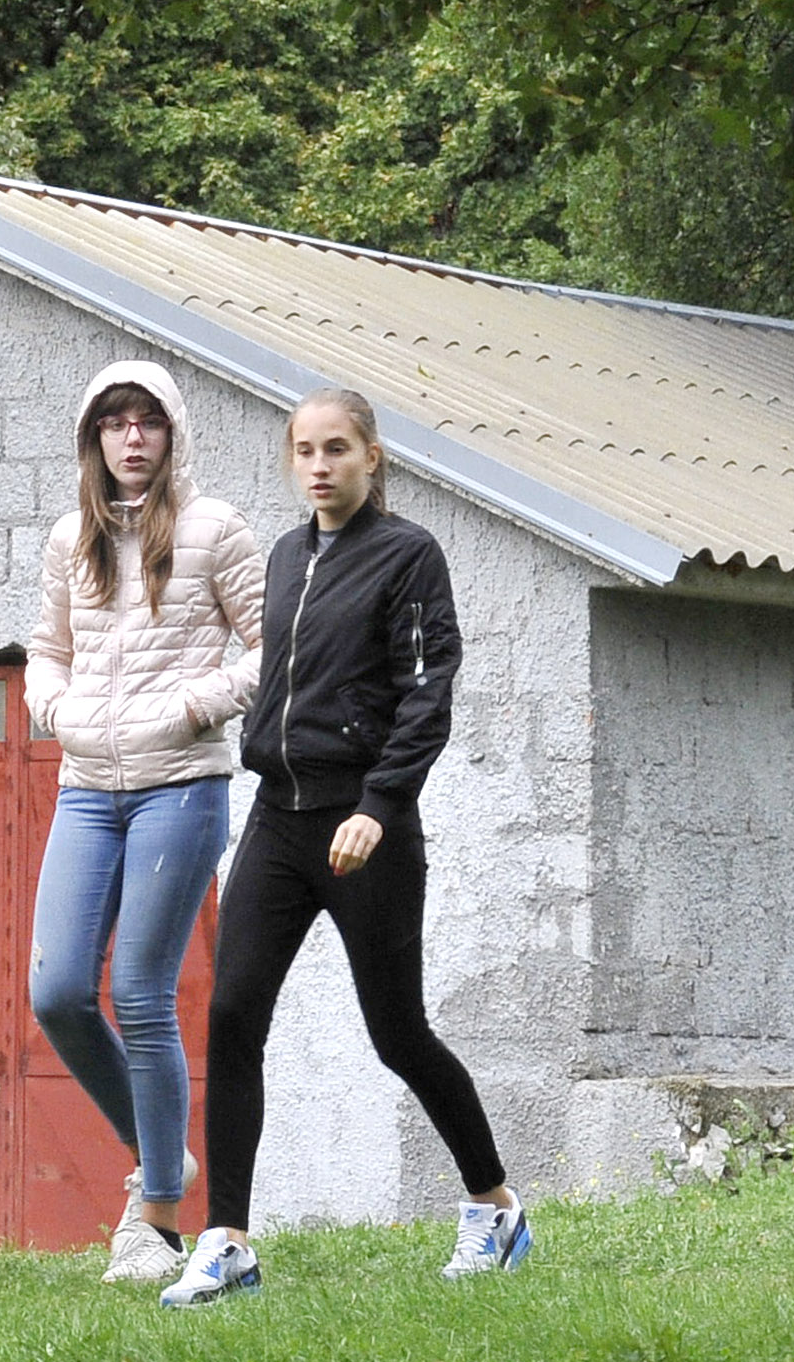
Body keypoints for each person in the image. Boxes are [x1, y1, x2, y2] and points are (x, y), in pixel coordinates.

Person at [162, 388, 529, 1307]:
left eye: (336, 449)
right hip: (279, 819)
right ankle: (228, 1240)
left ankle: (494, 1206)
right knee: (233, 1013)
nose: (318, 466)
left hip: (366, 824)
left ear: (373, 458)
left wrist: (380, 800)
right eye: (303, 451)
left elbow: (427, 688)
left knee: (396, 1033)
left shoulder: (407, 555)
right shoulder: (287, 556)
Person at [24, 364, 264, 1287]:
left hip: (181, 785)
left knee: (140, 990)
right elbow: (46, 651)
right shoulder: (69, 539)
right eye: (114, 425)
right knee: (56, 992)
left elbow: (269, 644)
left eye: (147, 424)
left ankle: (157, 1220)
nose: (131, 439)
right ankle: (162, 1150)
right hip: (86, 784)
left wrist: (195, 706)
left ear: (171, 435)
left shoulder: (216, 530)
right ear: (93, 440)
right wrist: (56, 710)